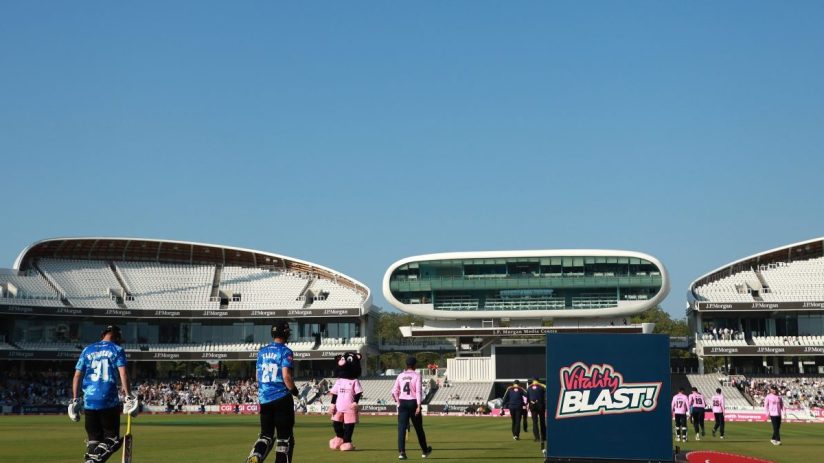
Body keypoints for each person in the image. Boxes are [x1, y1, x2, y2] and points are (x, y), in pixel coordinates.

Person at [69, 325, 138, 463]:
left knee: (94, 441)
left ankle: (90, 460)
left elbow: (77, 376)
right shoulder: (117, 350)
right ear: (116, 337)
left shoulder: (87, 350)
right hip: (108, 400)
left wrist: (75, 399)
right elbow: (123, 373)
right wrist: (128, 396)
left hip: (89, 401)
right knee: (112, 439)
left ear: (103, 335)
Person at [245, 321, 300, 463]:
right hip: (282, 398)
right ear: (286, 333)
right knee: (284, 439)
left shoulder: (262, 351)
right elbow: (286, 376)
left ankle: (256, 455)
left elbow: (258, 376)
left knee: (266, 435)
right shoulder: (285, 351)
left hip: (265, 399)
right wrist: (294, 391)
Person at [392, 357, 432, 460]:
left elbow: (394, 391)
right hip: (413, 403)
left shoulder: (400, 375)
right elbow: (418, 391)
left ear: (406, 365)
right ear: (415, 365)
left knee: (401, 429)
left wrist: (398, 402)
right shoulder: (417, 375)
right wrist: (419, 405)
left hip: (403, 403)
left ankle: (402, 452)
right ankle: (424, 451)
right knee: (419, 428)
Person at [527, 377, 547, 448]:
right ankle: (544, 437)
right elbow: (546, 395)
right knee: (542, 421)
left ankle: (537, 438)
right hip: (540, 405)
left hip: (532, 406)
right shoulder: (542, 386)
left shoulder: (529, 387)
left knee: (535, 422)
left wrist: (529, 404)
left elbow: (528, 398)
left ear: (533, 381)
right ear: (538, 381)